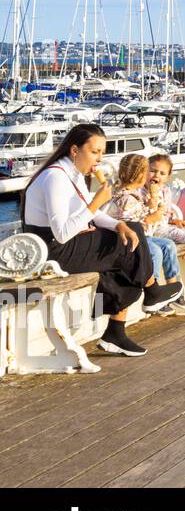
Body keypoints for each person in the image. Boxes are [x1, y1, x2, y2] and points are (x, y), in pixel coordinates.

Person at [21, 123, 171, 356]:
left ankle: (118, 329)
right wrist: (95, 202)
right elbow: (62, 232)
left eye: (102, 152)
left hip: (66, 243)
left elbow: (91, 214)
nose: (99, 158)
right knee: (125, 247)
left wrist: (118, 224)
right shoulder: (55, 177)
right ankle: (150, 292)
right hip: (52, 250)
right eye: (94, 151)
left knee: (129, 232)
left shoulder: (74, 174)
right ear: (74, 150)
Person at [107, 154, 185, 315]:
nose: (156, 176)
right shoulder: (136, 192)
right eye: (152, 171)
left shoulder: (165, 191)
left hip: (154, 229)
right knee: (156, 251)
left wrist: (174, 220)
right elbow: (135, 220)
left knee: (170, 244)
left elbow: (165, 213)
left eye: (162, 173)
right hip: (145, 232)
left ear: (168, 177)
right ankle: (153, 292)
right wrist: (151, 207)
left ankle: (173, 289)